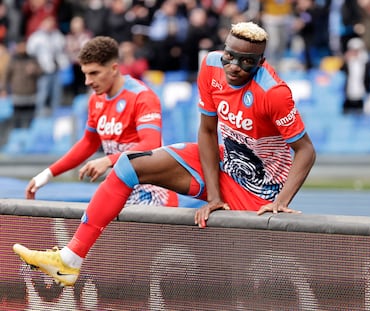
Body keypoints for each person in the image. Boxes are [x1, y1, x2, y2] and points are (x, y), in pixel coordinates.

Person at [13, 22, 316, 287]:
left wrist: (280, 203)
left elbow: (305, 151)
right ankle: (70, 259)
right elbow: (208, 131)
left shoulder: (273, 93)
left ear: (260, 62)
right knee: (128, 166)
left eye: (247, 62)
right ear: (222, 50)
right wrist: (214, 196)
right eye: (230, 56)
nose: (235, 66)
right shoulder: (210, 67)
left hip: (257, 194)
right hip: (225, 165)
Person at [24, 35, 179, 207]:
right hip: (124, 191)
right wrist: (48, 174)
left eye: (94, 73)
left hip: (155, 194)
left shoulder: (142, 96)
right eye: (85, 74)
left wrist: (108, 160)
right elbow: (89, 143)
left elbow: (150, 144)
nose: (88, 81)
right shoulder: (96, 100)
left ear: (114, 68)